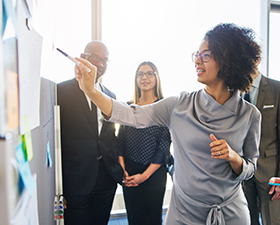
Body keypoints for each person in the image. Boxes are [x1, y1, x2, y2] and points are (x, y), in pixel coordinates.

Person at [75, 23, 261, 225]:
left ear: (228, 59)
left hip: (230, 214)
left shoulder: (250, 114)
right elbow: (129, 114)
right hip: (184, 213)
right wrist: (91, 91)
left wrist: (233, 157)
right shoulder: (179, 105)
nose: (197, 61)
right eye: (196, 55)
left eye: (205, 55)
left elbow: (251, 167)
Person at [57, 40, 123, 225]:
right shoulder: (61, 91)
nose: (101, 64)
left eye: (105, 60)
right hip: (76, 179)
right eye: (96, 58)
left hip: (106, 178)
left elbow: (109, 137)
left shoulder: (111, 95)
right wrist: (61, 187)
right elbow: (58, 140)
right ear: (83, 58)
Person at [117, 61, 172, 225]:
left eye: (149, 73)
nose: (144, 77)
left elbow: (163, 147)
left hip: (153, 174)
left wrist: (144, 176)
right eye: (140, 74)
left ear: (156, 78)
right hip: (129, 172)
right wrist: (123, 169)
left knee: (152, 218)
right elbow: (120, 140)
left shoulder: (164, 107)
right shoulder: (128, 106)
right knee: (133, 218)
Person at [242, 65, 280, 225]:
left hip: (270, 172)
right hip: (243, 172)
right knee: (246, 220)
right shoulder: (233, 91)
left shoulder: (276, 89)